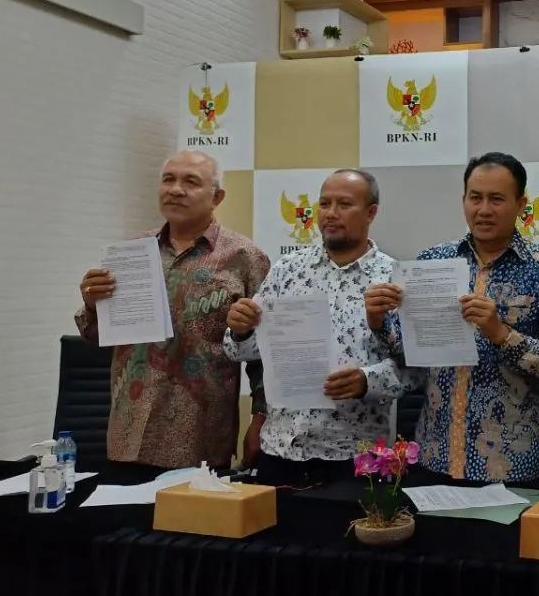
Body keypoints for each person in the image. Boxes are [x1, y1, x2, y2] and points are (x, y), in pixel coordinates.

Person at [365, 152, 539, 491]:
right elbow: (410, 354)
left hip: (516, 465)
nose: (484, 209)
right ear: (463, 199)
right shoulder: (432, 262)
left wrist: (501, 334)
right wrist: (378, 321)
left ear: (521, 204)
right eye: (475, 198)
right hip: (435, 457)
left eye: (497, 199)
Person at [224, 169, 421, 486]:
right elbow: (243, 351)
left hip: (354, 458)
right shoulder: (288, 270)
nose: (331, 213)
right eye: (325, 204)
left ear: (371, 212)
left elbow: (415, 370)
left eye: (344, 204)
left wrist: (367, 381)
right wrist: (241, 330)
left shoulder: (393, 278)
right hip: (281, 450)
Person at [76, 150, 270, 469]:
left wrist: (261, 420)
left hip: (200, 438)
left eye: (190, 182)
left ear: (217, 197)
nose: (176, 190)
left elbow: (265, 354)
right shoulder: (131, 254)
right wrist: (93, 305)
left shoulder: (245, 258)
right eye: (168, 179)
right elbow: (96, 338)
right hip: (129, 435)